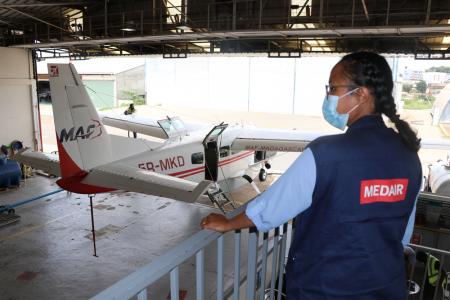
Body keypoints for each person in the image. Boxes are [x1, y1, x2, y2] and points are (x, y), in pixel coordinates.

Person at [200, 52, 422, 299]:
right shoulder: (409, 155)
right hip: (385, 286)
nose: (329, 96)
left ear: (361, 94)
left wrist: (228, 223)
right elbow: (403, 234)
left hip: (325, 288)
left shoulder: (326, 153)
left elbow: (273, 207)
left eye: (333, 88)